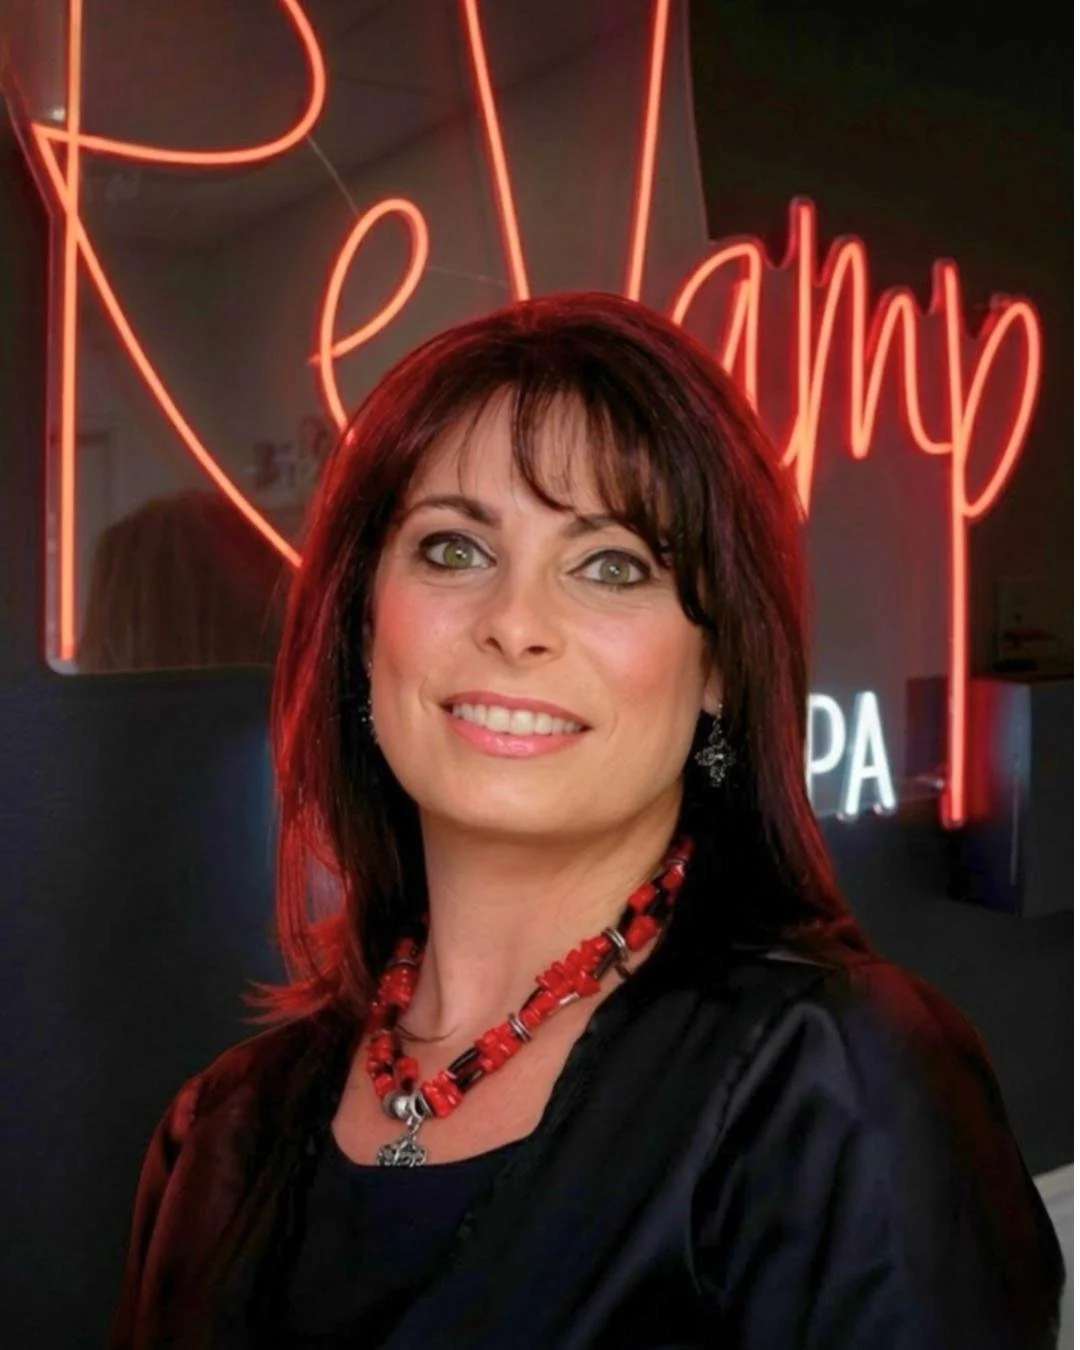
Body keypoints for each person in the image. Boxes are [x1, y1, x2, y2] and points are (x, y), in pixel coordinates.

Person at [108, 293, 1064, 1349]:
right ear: (361, 622)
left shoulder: (842, 1081)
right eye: (452, 550)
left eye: (612, 565)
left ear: (719, 669)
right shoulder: (219, 1129)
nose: (516, 624)